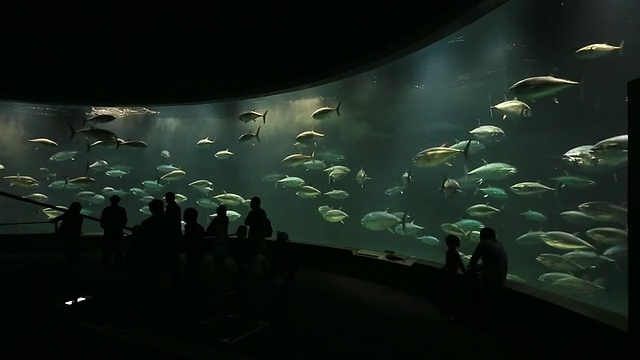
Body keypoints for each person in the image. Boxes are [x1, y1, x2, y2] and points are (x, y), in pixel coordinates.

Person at [466, 227, 508, 322]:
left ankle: (468, 313)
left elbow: (473, 261)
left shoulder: (484, 244)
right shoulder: (499, 244)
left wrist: (473, 268)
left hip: (491, 280)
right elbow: (492, 263)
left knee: (469, 276)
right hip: (501, 279)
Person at [51, 202, 84, 281]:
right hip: (74, 236)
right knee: (73, 250)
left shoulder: (67, 214)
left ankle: (67, 267)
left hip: (66, 235)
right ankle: (73, 267)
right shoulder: (80, 216)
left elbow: (55, 219)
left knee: (67, 250)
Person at [244, 196, 272, 273]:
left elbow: (246, 222)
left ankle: (251, 271)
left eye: (251, 203)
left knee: (252, 255)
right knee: (261, 254)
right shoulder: (262, 213)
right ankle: (266, 271)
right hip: (260, 238)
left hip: (253, 237)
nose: (250, 205)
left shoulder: (252, 213)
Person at [100, 195, 128, 273]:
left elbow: (102, 222)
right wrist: (119, 227)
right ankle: (118, 269)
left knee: (106, 252)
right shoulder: (122, 210)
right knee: (118, 251)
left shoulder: (106, 210)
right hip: (118, 232)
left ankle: (105, 269)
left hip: (108, 233)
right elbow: (124, 220)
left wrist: (107, 227)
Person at [440, 235, 465, 317]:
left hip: (447, 272)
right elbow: (460, 263)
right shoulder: (455, 253)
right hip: (452, 274)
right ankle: (450, 311)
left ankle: (444, 309)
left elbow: (447, 263)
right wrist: (465, 272)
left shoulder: (448, 252)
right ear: (453, 244)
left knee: (446, 291)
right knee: (452, 291)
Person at [206, 204, 229, 272]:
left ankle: (216, 269)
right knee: (221, 257)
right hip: (223, 240)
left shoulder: (216, 219)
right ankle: (221, 269)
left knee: (216, 256)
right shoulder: (226, 219)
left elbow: (209, 229)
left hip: (216, 240)